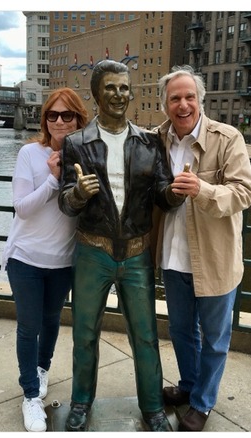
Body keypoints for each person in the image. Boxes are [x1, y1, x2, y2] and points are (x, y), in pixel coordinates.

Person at [57, 59, 184, 432]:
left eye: (124, 88)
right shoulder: (76, 144)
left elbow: (161, 194)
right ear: (96, 93)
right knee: (84, 334)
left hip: (136, 253)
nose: (118, 94)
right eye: (110, 87)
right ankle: (81, 402)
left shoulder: (149, 142)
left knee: (145, 336)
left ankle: (152, 408)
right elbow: (65, 201)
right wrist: (78, 194)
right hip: (92, 252)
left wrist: (175, 194)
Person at [153, 65, 251, 432]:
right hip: (172, 257)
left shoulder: (228, 139)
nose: (183, 105)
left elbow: (244, 193)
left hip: (215, 260)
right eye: (175, 98)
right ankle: (190, 386)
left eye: (189, 97)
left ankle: (203, 402)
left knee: (214, 338)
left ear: (200, 100)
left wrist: (203, 190)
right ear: (164, 104)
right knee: (181, 331)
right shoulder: (156, 139)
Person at [2, 88, 88, 432]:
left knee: (52, 320)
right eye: (53, 115)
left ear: (79, 119)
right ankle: (30, 396)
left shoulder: (86, 155)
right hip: (26, 257)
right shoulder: (30, 154)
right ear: (45, 120)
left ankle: (41, 369)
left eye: (68, 115)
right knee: (29, 326)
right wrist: (53, 179)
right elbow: (21, 207)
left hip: (63, 260)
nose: (59, 122)